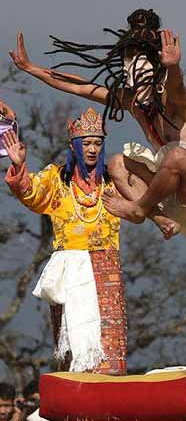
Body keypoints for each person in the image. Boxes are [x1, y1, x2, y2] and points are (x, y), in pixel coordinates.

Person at [9, 9, 186, 240]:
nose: (135, 86)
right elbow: (79, 86)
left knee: (177, 155)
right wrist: (32, 69)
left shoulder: (176, 102)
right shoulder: (132, 102)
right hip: (174, 201)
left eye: (142, 78)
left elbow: (176, 87)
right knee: (117, 164)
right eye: (130, 78)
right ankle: (162, 220)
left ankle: (138, 209)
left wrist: (173, 66)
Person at [3, 108, 126, 375]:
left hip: (106, 268)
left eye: (97, 143)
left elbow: (141, 202)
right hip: (69, 268)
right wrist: (18, 165)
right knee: (71, 344)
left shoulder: (113, 182)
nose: (92, 149)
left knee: (110, 348)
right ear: (74, 145)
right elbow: (32, 194)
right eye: (87, 143)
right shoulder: (57, 178)